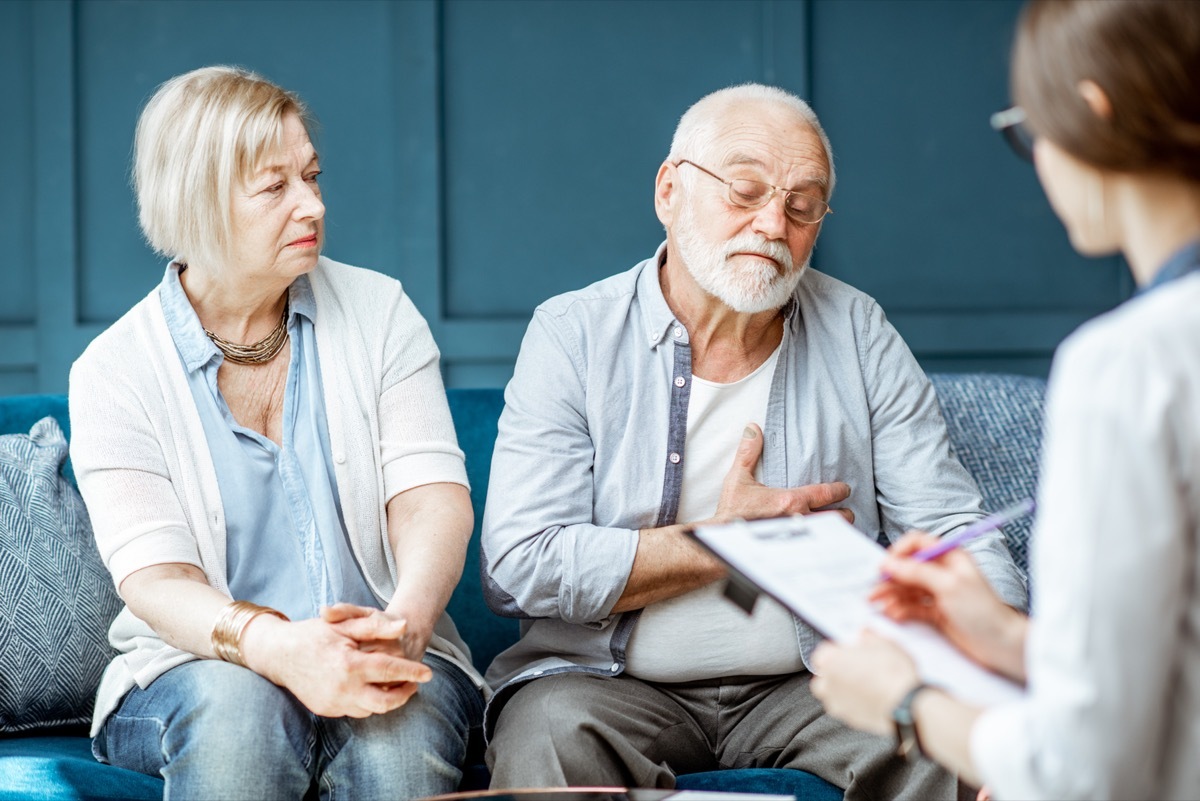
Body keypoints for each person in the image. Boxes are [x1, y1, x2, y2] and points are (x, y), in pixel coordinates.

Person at [480, 83, 1027, 800]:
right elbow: (519, 563)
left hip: (818, 679)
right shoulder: (573, 333)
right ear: (669, 191)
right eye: (745, 190)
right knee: (548, 730)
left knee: (937, 735)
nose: (773, 223)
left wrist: (1008, 667)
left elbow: (952, 524)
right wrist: (720, 542)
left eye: (802, 207)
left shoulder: (858, 330)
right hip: (606, 685)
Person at [810, 1, 1200, 799]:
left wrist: (903, 701)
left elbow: (1082, 770)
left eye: (1027, 131)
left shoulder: (1129, 365)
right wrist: (1008, 637)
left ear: (1093, 113)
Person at [68, 65, 485, 799]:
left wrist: (407, 618)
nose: (313, 204)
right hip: (196, 667)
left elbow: (431, 499)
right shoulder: (114, 370)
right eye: (276, 187)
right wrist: (280, 649)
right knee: (241, 710)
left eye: (312, 176)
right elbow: (158, 581)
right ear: (198, 203)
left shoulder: (380, 311)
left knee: (394, 734)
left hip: (381, 646)